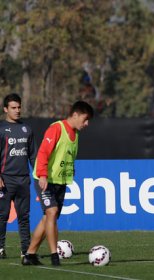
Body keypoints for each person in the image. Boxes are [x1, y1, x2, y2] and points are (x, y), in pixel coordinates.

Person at [22, 101, 94, 266]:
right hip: (45, 180)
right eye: (85, 119)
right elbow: (43, 152)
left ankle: (30, 255)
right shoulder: (56, 128)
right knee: (52, 212)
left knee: (47, 218)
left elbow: (67, 156)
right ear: (75, 115)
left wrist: (71, 169)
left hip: (60, 182)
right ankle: (55, 255)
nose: (87, 123)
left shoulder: (75, 135)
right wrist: (42, 175)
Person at [0, 93, 37, 259]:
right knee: (2, 215)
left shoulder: (27, 129)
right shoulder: (1, 129)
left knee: (24, 217)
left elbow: (33, 156)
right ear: (5, 109)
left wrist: (39, 176)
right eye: (13, 108)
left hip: (23, 179)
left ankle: (26, 251)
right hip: (5, 180)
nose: (17, 110)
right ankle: (0, 249)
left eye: (19, 107)